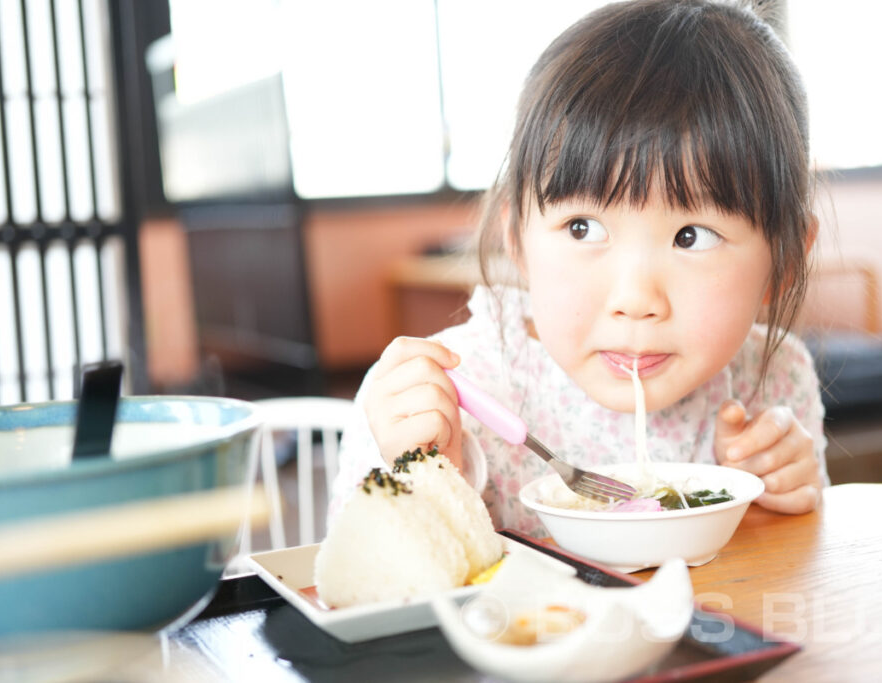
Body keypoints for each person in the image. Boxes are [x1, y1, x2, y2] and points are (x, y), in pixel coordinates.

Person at [330, 0, 829, 536]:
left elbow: (790, 591)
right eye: (582, 228)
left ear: (783, 262)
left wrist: (776, 499)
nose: (636, 298)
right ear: (517, 239)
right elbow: (347, 587)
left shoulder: (774, 380)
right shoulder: (442, 398)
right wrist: (427, 481)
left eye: (692, 236)